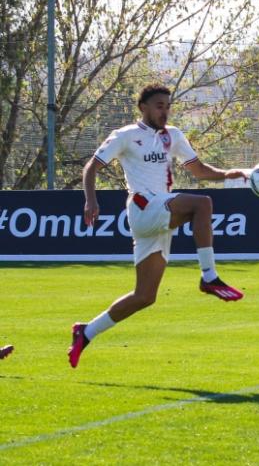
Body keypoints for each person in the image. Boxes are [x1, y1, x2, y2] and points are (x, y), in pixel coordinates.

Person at [69, 84, 248, 368]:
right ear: (143, 108)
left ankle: (86, 332)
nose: (165, 111)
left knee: (144, 296)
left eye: (167, 106)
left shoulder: (173, 135)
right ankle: (209, 277)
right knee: (202, 204)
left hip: (159, 213)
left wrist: (230, 173)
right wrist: (91, 200)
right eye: (159, 106)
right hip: (144, 208)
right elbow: (91, 167)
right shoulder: (126, 135)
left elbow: (199, 170)